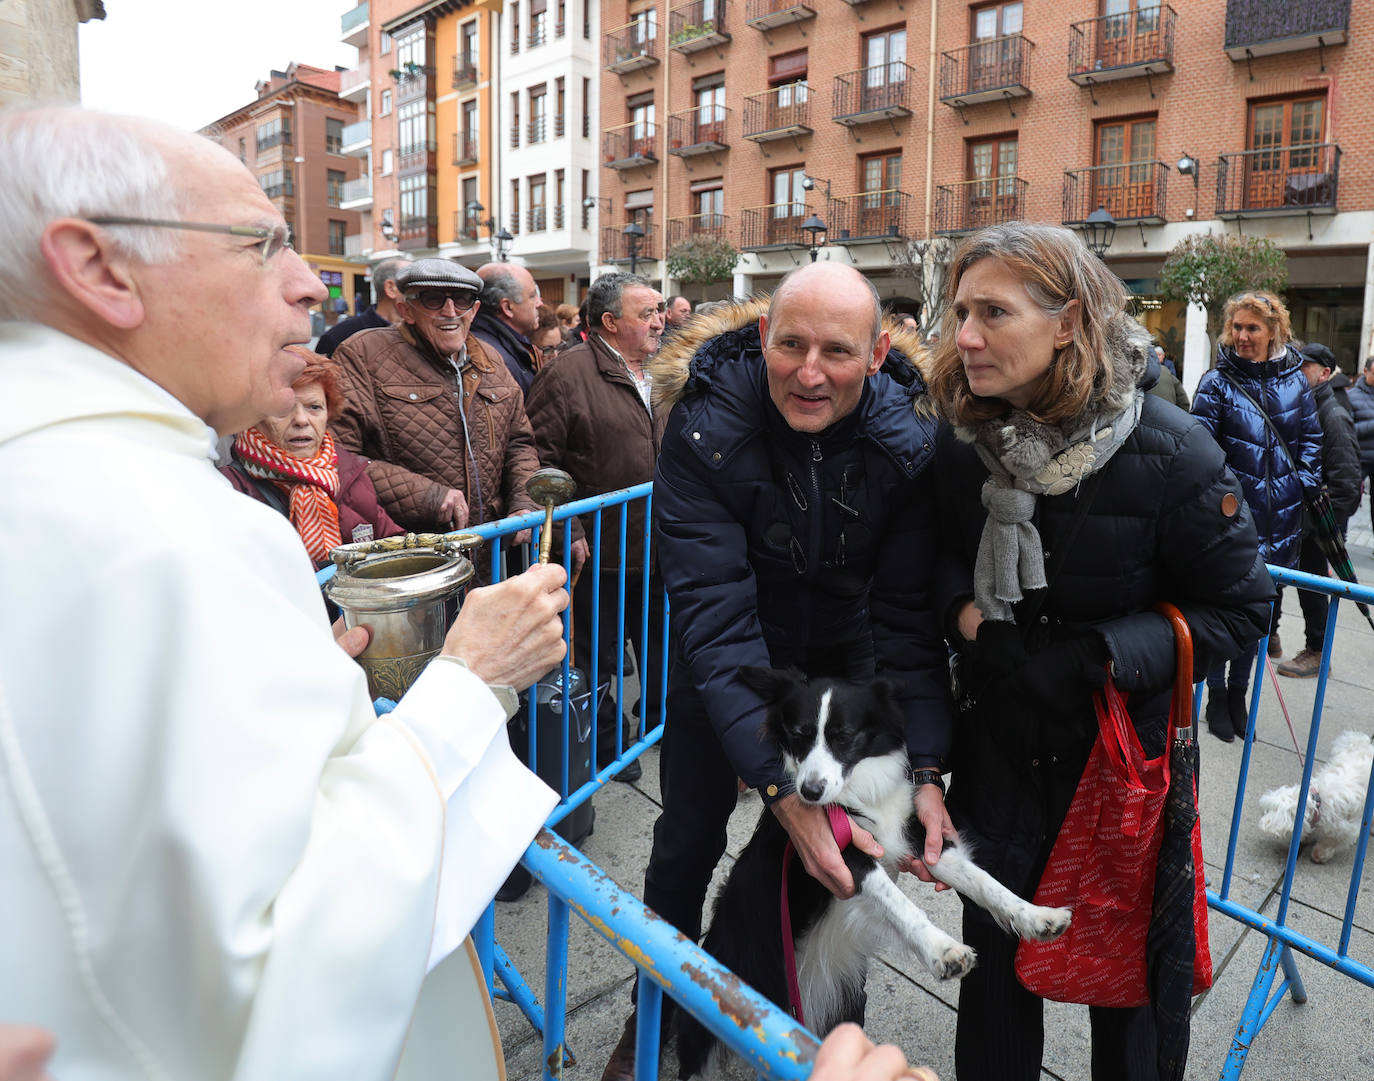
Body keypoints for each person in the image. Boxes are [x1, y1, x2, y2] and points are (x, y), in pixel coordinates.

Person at [0, 103, 570, 1079]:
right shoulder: (166, 531)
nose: (308, 283)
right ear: (98, 268)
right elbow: (287, 981)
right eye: (262, 245)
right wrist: (470, 683)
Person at [928, 222, 1271, 1081]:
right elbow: (925, 566)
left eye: (993, 313)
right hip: (1000, 761)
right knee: (997, 997)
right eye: (960, 311)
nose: (964, 335)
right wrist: (975, 626)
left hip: (1124, 782)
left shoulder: (1171, 448)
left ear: (1068, 320)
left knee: (1130, 1012)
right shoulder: (959, 438)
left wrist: (1100, 656)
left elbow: (1242, 604)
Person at [599, 262, 955, 1081]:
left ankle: (838, 1017)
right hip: (723, 666)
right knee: (685, 842)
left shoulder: (908, 442)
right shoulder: (704, 425)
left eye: (837, 350)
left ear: (877, 353)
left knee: (847, 853)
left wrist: (928, 763)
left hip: (842, 668)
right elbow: (716, 615)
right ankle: (652, 1012)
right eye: (790, 344)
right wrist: (778, 786)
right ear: (762, 336)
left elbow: (904, 619)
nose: (809, 369)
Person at [525, 272, 668, 787]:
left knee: (659, 641)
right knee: (597, 654)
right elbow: (538, 460)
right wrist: (571, 529)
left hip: (657, 545)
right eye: (647, 312)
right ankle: (609, 747)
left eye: (659, 310)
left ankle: (657, 724)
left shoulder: (662, 370)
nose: (660, 320)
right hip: (599, 550)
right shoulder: (567, 375)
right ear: (610, 323)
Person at [332, 258, 541, 539]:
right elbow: (339, 456)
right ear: (406, 310)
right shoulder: (362, 354)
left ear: (475, 310)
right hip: (409, 548)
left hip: (486, 546)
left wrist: (524, 503)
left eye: (462, 300)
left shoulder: (490, 359)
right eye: (433, 300)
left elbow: (519, 443)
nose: (450, 311)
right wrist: (428, 497)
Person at [1191, 290, 1321, 740]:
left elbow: (1311, 439)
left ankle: (1238, 693)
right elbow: (1200, 455)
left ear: (1274, 332)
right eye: (1238, 327)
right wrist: (1225, 503)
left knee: (1258, 614)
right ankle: (1215, 694)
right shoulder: (1216, 383)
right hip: (1231, 524)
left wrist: (1300, 485)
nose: (1243, 336)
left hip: (1281, 522)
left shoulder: (1296, 381)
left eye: (1253, 328)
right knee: (1222, 610)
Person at [221, 347, 404, 563]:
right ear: (253, 416)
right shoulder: (228, 489)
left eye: (314, 407)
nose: (301, 420)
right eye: (283, 409)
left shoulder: (350, 473)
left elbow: (394, 547)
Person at [1273, 342, 1362, 677]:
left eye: (1305, 367)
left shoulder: (1333, 412)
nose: (1298, 372)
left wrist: (1317, 524)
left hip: (1317, 521)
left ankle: (1317, 651)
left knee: (1313, 587)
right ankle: (1272, 636)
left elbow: (1348, 484)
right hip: (1301, 516)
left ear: (1324, 373)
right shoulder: (1310, 403)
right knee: (1284, 578)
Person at [314, 255, 411, 357]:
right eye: (412, 283)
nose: (423, 290)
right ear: (391, 288)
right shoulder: (339, 336)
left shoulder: (424, 332)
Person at [469, 262, 543, 396]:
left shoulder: (504, 346)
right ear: (507, 307)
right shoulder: (490, 359)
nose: (539, 303)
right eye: (532, 296)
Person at [1349, 355, 1374, 542]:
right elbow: (1348, 431)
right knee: (1350, 499)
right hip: (1360, 458)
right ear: (1365, 372)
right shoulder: (1351, 396)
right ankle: (1341, 539)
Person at [1148, 345, 1190, 410]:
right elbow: (1184, 402)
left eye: (1159, 355)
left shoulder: (1168, 365)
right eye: (1156, 355)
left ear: (1163, 355)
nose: (1157, 357)